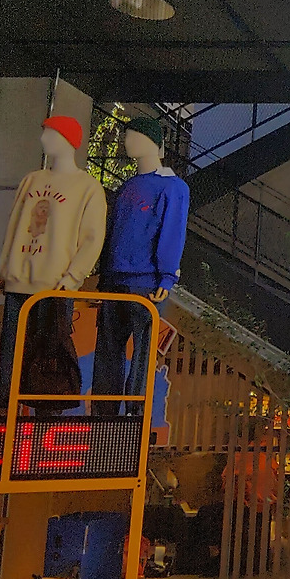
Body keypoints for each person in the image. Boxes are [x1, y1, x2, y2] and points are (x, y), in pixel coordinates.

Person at [0, 114, 106, 407]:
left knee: (49, 361)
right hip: (18, 281)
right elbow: (13, 226)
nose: (43, 139)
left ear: (67, 139)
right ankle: (9, 418)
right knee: (12, 358)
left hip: (55, 287)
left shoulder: (87, 187)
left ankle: (46, 419)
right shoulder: (31, 180)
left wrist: (72, 278)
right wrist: (4, 269)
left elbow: (92, 238)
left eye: (50, 133)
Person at [93, 118, 189, 415]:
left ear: (151, 141)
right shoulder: (128, 186)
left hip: (146, 281)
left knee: (143, 353)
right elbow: (113, 230)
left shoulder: (173, 187)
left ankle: (136, 416)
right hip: (115, 278)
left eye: (133, 135)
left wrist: (167, 276)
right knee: (108, 349)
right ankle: (103, 416)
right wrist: (103, 275)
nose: (126, 141)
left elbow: (172, 231)